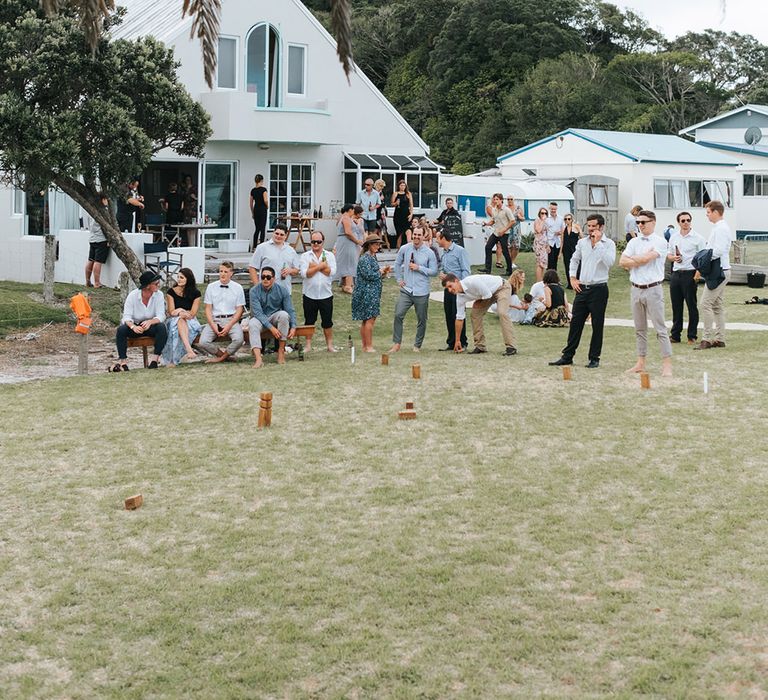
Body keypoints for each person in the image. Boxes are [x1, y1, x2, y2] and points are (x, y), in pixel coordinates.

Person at [549, 214, 616, 369]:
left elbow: (609, 262)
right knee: (576, 323)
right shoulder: (582, 242)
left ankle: (594, 358)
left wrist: (598, 243)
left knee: (597, 325)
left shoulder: (609, 244)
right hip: (582, 288)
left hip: (599, 289)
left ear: (601, 227)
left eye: (594, 226)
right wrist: (572, 278)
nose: (591, 229)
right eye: (589, 226)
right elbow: (574, 259)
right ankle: (567, 356)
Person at [620, 209, 672, 377]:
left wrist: (634, 260)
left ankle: (667, 365)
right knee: (639, 329)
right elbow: (622, 261)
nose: (640, 225)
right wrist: (639, 258)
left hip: (653, 289)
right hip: (636, 288)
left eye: (643, 222)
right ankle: (641, 362)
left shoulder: (660, 242)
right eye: (638, 223)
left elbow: (645, 259)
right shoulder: (634, 242)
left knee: (660, 329)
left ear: (653, 222)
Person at [389, 225, 437, 353]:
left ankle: (417, 345)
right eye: (414, 234)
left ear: (423, 236)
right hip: (407, 289)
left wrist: (419, 268)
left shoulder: (429, 252)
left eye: (418, 235)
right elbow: (397, 264)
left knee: (421, 319)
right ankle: (396, 343)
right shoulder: (405, 249)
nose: (416, 237)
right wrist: (399, 279)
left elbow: (434, 271)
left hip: (422, 291)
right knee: (398, 314)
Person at [442, 273, 518, 356]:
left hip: (502, 287)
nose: (449, 290)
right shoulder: (459, 297)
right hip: (487, 294)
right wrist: (457, 341)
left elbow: (487, 294)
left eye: (450, 286)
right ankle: (480, 346)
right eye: (447, 288)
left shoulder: (472, 282)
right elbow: (459, 318)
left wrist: (477, 302)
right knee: (475, 314)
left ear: (456, 281)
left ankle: (511, 347)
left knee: (502, 312)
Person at [110, 270, 167, 372]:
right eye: (156, 283)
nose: (158, 285)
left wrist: (150, 322)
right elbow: (126, 317)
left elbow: (161, 315)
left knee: (161, 327)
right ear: (148, 286)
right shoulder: (133, 296)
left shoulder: (159, 295)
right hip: (135, 324)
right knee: (121, 330)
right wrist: (133, 327)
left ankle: (154, 360)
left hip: (150, 325)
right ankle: (123, 362)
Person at [696, 200, 733, 349]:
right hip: (720, 270)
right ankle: (719, 339)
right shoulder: (719, 228)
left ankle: (706, 339)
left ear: (716, 212)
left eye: (708, 213)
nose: (707, 216)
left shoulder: (721, 228)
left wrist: (704, 259)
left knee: (705, 304)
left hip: (720, 271)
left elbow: (719, 250)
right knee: (717, 306)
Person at [667, 211, 705, 345]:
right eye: (683, 220)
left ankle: (692, 335)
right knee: (676, 307)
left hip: (690, 274)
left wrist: (697, 275)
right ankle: (675, 335)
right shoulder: (674, 237)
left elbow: (702, 258)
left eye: (688, 220)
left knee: (691, 306)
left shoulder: (698, 238)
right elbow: (669, 254)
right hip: (676, 274)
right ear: (678, 222)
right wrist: (673, 258)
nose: (686, 222)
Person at [248, 266, 297, 367]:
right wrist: (271, 328)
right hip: (260, 318)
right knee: (252, 323)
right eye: (263, 277)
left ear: (274, 278)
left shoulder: (282, 290)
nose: (265, 279)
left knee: (284, 315)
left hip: (275, 316)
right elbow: (257, 313)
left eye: (268, 277)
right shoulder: (254, 291)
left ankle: (281, 351)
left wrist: (293, 326)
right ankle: (258, 359)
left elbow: (290, 310)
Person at [198, 261, 245, 363]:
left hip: (231, 319)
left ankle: (221, 359)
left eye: (225, 271)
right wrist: (212, 324)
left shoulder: (238, 288)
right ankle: (224, 356)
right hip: (215, 319)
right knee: (203, 342)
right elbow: (208, 308)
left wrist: (229, 325)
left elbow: (239, 309)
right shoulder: (211, 287)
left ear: (231, 273)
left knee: (239, 339)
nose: (223, 274)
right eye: (221, 271)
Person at [352, 234, 391, 352]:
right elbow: (368, 275)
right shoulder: (365, 258)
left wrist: (383, 273)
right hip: (367, 293)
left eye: (379, 244)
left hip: (371, 292)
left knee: (367, 319)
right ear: (369, 245)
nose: (378, 246)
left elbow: (374, 275)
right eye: (375, 244)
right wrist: (380, 271)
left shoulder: (372, 257)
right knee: (369, 319)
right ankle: (368, 346)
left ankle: (365, 346)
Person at [299, 231, 337, 352]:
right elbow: (305, 274)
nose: (315, 244)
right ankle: (308, 345)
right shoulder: (305, 256)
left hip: (326, 294)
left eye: (318, 242)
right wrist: (321, 266)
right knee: (309, 321)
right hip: (309, 294)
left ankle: (330, 345)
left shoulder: (329, 255)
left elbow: (331, 272)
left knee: (327, 322)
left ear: (323, 242)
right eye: (313, 241)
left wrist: (313, 267)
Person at [436, 230, 470, 351]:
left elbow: (466, 270)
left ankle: (462, 342)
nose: (436, 240)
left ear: (444, 238)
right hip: (448, 289)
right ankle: (451, 342)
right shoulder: (444, 253)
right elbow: (445, 269)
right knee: (449, 314)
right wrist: (443, 275)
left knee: (458, 314)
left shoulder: (460, 251)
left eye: (437, 238)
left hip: (457, 289)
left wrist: (461, 287)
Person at [162, 267, 202, 366]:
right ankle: (189, 350)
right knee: (178, 322)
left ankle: (173, 361)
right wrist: (180, 312)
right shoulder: (171, 292)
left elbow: (192, 313)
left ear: (188, 279)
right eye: (178, 277)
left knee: (181, 322)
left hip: (190, 320)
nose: (179, 279)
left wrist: (181, 311)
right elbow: (171, 311)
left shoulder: (196, 293)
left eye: (182, 277)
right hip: (173, 320)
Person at [248, 222, 300, 292]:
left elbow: (297, 270)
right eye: (277, 233)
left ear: (286, 235)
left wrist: (290, 270)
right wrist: (257, 286)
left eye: (281, 234)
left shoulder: (291, 250)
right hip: (266, 290)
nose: (278, 236)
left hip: (285, 291)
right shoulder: (262, 247)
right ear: (273, 232)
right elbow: (252, 267)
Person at [334, 204, 365, 293]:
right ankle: (348, 285)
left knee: (345, 262)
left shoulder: (343, 217)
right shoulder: (346, 218)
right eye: (353, 210)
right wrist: (357, 241)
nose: (353, 212)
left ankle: (344, 284)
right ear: (350, 210)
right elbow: (348, 232)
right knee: (350, 262)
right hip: (348, 243)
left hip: (344, 242)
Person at [482, 193, 514, 276]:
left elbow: (512, 221)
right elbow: (493, 220)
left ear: (501, 200)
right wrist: (487, 224)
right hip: (496, 233)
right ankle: (487, 269)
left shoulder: (506, 210)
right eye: (494, 199)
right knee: (488, 247)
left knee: (505, 251)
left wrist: (504, 230)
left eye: (497, 199)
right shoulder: (494, 209)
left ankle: (509, 270)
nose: (495, 201)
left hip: (504, 233)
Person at [84, 192, 110, 288]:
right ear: (103, 200)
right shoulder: (103, 211)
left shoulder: (91, 210)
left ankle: (87, 282)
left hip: (92, 238)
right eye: (106, 199)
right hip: (101, 239)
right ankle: (97, 283)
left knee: (90, 260)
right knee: (98, 261)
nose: (107, 201)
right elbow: (106, 226)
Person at [561, 213, 582, 289]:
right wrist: (560, 253)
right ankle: (570, 283)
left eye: (569, 219)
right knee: (567, 266)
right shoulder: (564, 229)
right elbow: (562, 241)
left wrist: (578, 230)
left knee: (577, 265)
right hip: (566, 250)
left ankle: (578, 281)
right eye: (565, 219)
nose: (567, 220)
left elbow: (581, 237)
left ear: (572, 219)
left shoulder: (576, 227)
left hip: (575, 249)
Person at [391, 179, 413, 248]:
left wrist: (411, 214)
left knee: (408, 230)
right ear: (399, 186)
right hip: (398, 215)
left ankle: (408, 246)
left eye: (404, 185)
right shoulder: (396, 193)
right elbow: (392, 203)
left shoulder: (408, 194)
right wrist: (395, 203)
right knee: (399, 232)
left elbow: (411, 204)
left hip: (406, 214)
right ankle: (399, 248)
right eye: (401, 185)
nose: (403, 187)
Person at [250, 174, 269, 249]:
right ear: (262, 181)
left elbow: (251, 203)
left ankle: (254, 246)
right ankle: (261, 247)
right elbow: (265, 200)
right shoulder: (263, 190)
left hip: (256, 209)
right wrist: (267, 206)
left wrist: (252, 212)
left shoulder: (253, 190)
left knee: (257, 229)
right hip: (262, 209)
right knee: (262, 228)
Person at [506, 196, 525, 267]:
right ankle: (509, 262)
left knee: (516, 246)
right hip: (508, 228)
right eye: (508, 199)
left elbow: (523, 218)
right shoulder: (505, 208)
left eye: (511, 199)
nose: (510, 200)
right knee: (508, 246)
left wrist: (520, 217)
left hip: (516, 229)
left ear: (514, 200)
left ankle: (512, 261)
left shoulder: (518, 208)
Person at [545, 202, 564, 271]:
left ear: (557, 209)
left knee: (555, 261)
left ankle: (554, 277)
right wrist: (547, 245)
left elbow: (563, 230)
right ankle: (549, 278)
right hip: (550, 242)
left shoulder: (561, 219)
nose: (553, 210)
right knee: (550, 261)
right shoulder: (547, 219)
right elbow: (545, 233)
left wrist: (560, 232)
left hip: (558, 242)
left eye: (554, 209)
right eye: (552, 209)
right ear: (549, 208)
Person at [532, 208, 550, 282]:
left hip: (544, 244)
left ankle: (541, 280)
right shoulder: (537, 220)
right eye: (542, 213)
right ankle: (538, 281)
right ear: (539, 213)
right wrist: (542, 221)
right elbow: (538, 230)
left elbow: (548, 233)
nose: (544, 215)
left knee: (543, 263)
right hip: (539, 244)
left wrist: (548, 245)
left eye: (545, 213)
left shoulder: (547, 222)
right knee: (539, 263)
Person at [373, 179, 389, 245]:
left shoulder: (381, 192)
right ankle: (372, 243)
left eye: (382, 186)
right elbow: (374, 203)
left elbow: (383, 203)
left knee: (380, 229)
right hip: (376, 212)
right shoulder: (374, 193)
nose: (382, 188)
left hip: (382, 212)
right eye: (381, 186)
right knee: (376, 229)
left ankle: (379, 245)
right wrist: (380, 199)